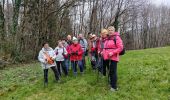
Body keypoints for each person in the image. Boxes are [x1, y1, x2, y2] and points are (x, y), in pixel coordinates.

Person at [102, 26, 123, 91]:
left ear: (114, 31)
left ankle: (114, 87)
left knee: (113, 72)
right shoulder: (107, 38)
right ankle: (111, 84)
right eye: (109, 30)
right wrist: (103, 52)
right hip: (107, 57)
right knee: (110, 71)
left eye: (111, 30)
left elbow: (120, 48)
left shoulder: (117, 38)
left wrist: (113, 53)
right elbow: (105, 47)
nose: (110, 31)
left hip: (114, 57)